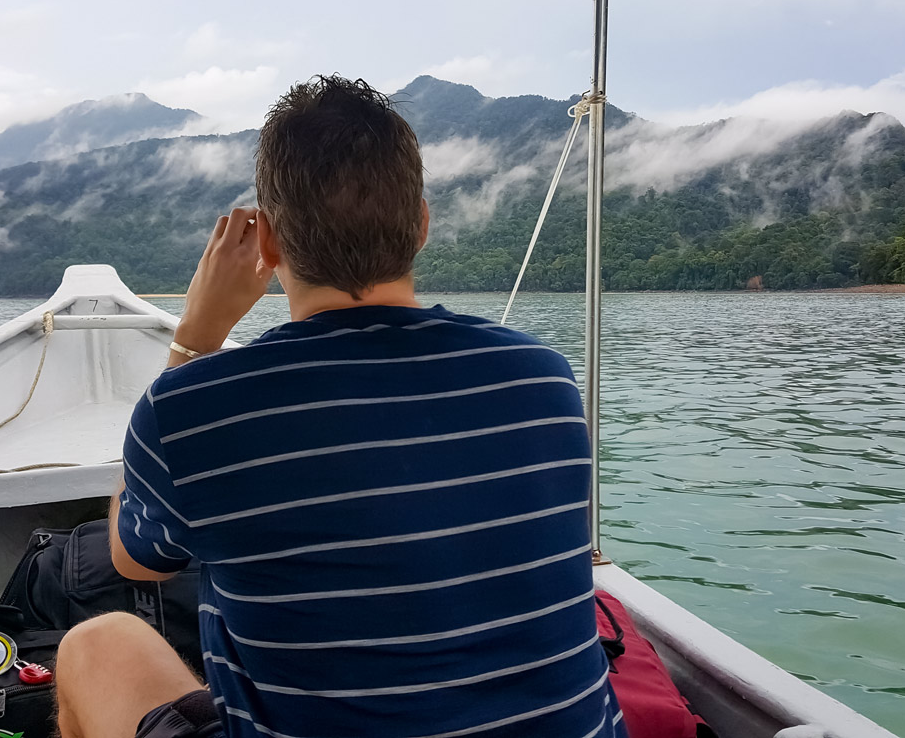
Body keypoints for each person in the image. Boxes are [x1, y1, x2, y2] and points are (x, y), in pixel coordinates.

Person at [54, 76, 627, 738]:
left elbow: (134, 560)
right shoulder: (544, 379)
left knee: (96, 644)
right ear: (421, 227)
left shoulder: (192, 408)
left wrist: (194, 340)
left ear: (266, 244)